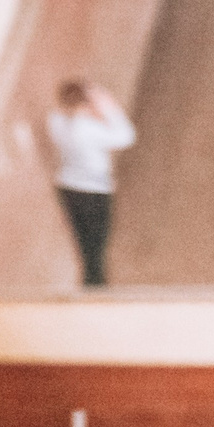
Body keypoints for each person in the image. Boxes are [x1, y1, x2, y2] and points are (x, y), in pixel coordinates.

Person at [44, 79, 135, 288]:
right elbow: (126, 137)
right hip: (94, 193)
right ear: (86, 103)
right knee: (96, 249)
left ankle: (90, 288)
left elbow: (60, 111)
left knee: (85, 246)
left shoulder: (57, 122)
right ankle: (95, 292)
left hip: (68, 189)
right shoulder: (87, 128)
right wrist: (111, 110)